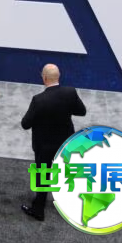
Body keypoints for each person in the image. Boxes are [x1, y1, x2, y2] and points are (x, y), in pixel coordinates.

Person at [21, 64, 87, 221]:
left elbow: (25, 124)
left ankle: (39, 209)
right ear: (58, 76)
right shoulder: (70, 92)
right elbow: (81, 111)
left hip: (43, 145)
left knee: (43, 175)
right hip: (65, 143)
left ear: (44, 78)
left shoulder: (38, 100)